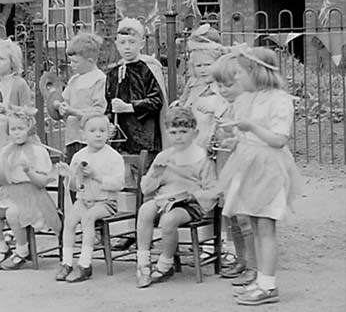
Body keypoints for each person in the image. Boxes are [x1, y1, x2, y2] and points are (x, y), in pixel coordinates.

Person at [218, 47, 301, 305]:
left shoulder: (279, 100)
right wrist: (236, 138)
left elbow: (278, 140)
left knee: (265, 226)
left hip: (268, 168)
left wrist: (251, 127)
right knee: (253, 222)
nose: (237, 79)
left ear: (256, 72)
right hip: (248, 164)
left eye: (240, 73)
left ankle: (268, 284)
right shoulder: (247, 98)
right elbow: (249, 135)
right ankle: (260, 278)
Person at [135, 107, 220, 288]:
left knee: (169, 220)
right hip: (163, 199)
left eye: (183, 132)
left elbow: (213, 189)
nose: (178, 137)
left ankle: (166, 263)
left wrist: (194, 195)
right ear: (168, 133)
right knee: (145, 210)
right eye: (173, 132)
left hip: (189, 204)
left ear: (194, 133)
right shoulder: (164, 156)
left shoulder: (202, 158)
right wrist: (156, 173)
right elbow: (146, 189)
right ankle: (143, 260)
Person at [105, 17, 168, 251]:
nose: (128, 47)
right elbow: (107, 104)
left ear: (141, 42)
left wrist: (130, 107)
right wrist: (109, 121)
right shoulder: (113, 73)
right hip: (122, 138)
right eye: (123, 42)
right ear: (116, 44)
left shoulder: (147, 69)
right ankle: (129, 231)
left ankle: (147, 232)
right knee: (127, 186)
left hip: (145, 137)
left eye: (132, 41)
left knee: (146, 185)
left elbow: (156, 100)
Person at [0, 108, 61, 271]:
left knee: (13, 212)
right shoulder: (6, 151)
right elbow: (1, 181)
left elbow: (42, 183)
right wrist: (0, 172)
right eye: (13, 129)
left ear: (29, 130)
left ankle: (22, 250)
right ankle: (3, 248)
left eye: (21, 129)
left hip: (33, 196)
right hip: (10, 193)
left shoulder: (37, 151)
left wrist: (29, 172)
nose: (16, 133)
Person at [55, 114, 125, 283]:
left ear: (109, 133)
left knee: (88, 218)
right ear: (83, 135)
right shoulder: (79, 155)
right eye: (92, 131)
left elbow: (118, 184)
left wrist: (96, 175)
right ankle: (66, 262)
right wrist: (69, 175)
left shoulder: (114, 156)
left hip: (105, 202)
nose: (98, 134)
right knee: (70, 220)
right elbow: (74, 187)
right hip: (83, 199)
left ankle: (85, 264)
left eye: (102, 130)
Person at [210, 53, 258, 285]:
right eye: (219, 85)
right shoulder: (226, 106)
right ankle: (241, 259)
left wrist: (234, 140)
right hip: (225, 162)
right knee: (231, 214)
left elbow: (252, 136)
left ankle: (253, 265)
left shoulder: (248, 106)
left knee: (245, 216)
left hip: (244, 164)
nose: (223, 90)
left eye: (228, 85)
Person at [53, 32, 107, 164]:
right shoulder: (74, 80)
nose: (72, 65)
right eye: (71, 61)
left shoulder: (99, 80)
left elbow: (99, 110)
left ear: (89, 61)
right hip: (72, 137)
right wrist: (58, 106)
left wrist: (74, 112)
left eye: (75, 62)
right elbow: (63, 101)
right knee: (73, 170)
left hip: (91, 138)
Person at [174, 24, 227, 151]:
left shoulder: (224, 87)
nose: (203, 70)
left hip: (214, 138)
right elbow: (184, 104)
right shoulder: (193, 85)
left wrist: (215, 111)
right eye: (198, 66)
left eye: (207, 65)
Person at [0, 39, 33, 178]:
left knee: (15, 174)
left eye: (1, 58)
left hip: (15, 136)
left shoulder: (19, 84)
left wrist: (7, 110)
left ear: (12, 62)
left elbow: (28, 112)